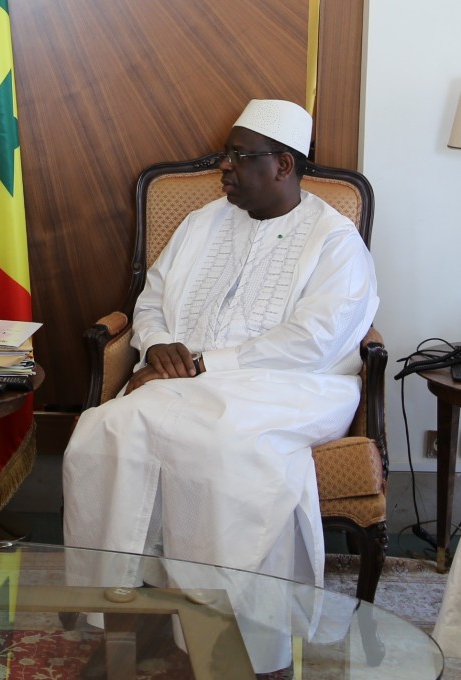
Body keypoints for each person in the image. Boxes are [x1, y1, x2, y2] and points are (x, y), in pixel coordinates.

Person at [62, 99, 379, 675]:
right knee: (107, 428)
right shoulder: (204, 221)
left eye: (239, 157)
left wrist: (208, 363)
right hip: (183, 379)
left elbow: (317, 341)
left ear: (283, 164)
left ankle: (234, 640)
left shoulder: (334, 241)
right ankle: (121, 612)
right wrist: (155, 343)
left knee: (225, 449)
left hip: (296, 386)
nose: (224, 169)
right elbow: (152, 299)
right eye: (227, 156)